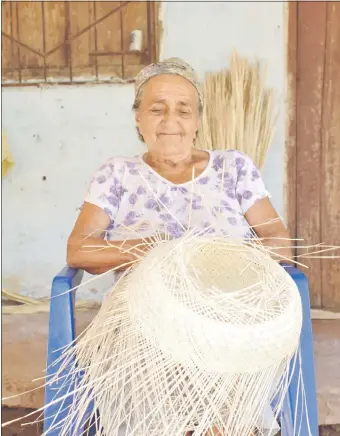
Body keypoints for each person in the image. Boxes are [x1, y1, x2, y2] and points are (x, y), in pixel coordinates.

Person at [67, 57, 291, 435]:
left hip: (227, 316)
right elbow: (80, 251)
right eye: (157, 109)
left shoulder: (233, 168)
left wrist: (220, 259)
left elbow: (280, 244)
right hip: (143, 319)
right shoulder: (117, 174)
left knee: (222, 367)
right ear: (138, 118)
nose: (170, 120)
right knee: (155, 360)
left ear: (199, 119)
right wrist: (150, 250)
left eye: (183, 109)